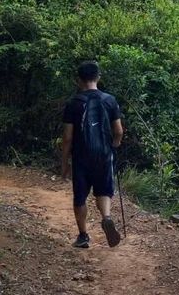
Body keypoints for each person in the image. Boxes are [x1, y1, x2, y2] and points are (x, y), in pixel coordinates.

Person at [61, 60, 124, 248]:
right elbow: (119, 131)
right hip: (104, 155)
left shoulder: (73, 103)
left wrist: (64, 162)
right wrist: (114, 146)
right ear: (98, 77)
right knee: (104, 190)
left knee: (80, 196)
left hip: (81, 156)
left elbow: (67, 137)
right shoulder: (109, 100)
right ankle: (106, 217)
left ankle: (83, 236)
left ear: (78, 80)